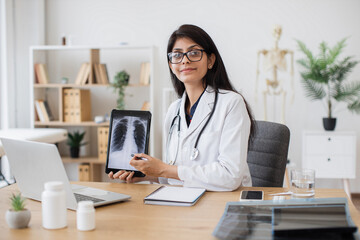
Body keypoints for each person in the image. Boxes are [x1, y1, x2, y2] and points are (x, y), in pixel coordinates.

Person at [108, 24, 255, 191]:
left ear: (211, 61)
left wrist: (164, 169)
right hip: (183, 201)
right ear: (171, 65)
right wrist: (146, 174)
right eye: (177, 55)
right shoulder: (174, 110)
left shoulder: (231, 103)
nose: (185, 60)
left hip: (224, 202)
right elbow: (175, 175)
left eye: (194, 53)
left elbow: (230, 176)